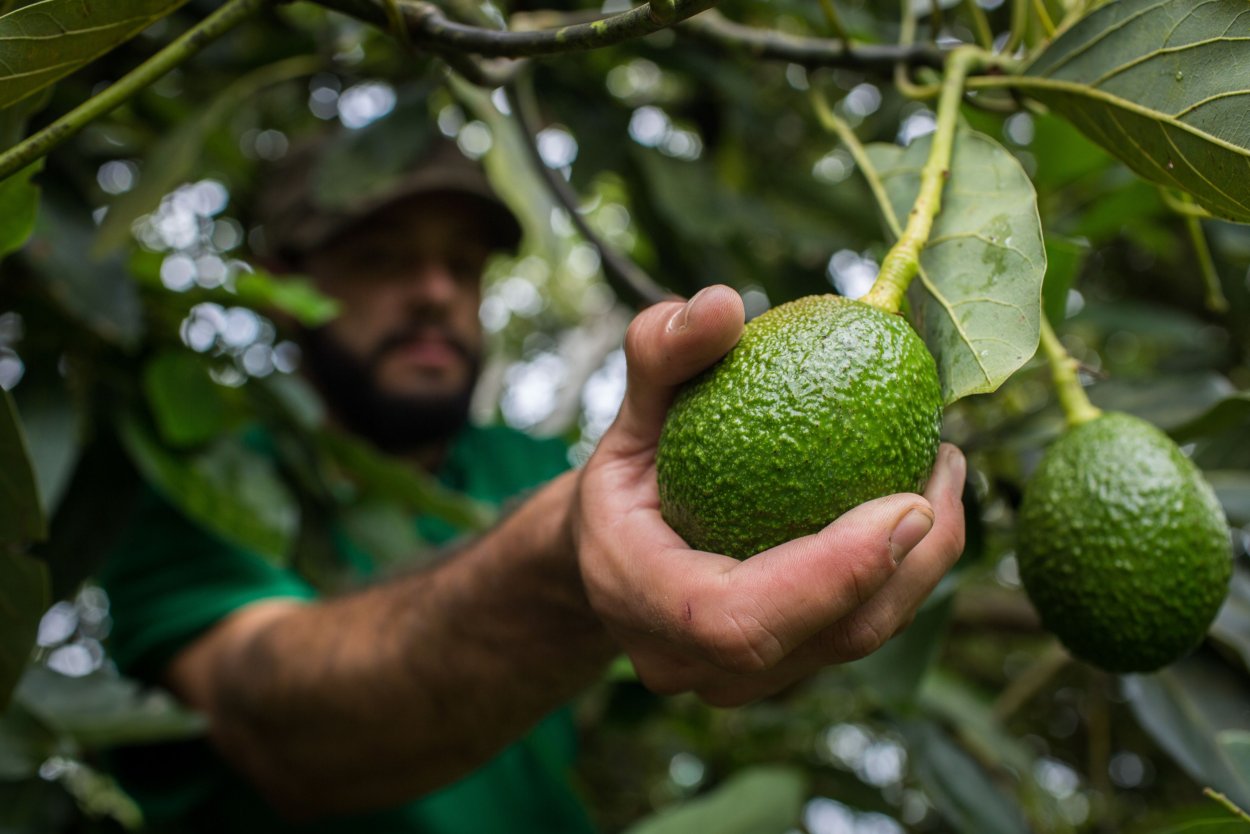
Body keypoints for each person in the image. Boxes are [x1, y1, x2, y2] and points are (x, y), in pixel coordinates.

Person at [98, 131, 967, 832]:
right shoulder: (199, 469)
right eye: (384, 257)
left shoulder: (527, 466)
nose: (436, 293)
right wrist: (567, 560)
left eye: (463, 264)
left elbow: (699, 629)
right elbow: (267, 718)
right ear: (287, 289)